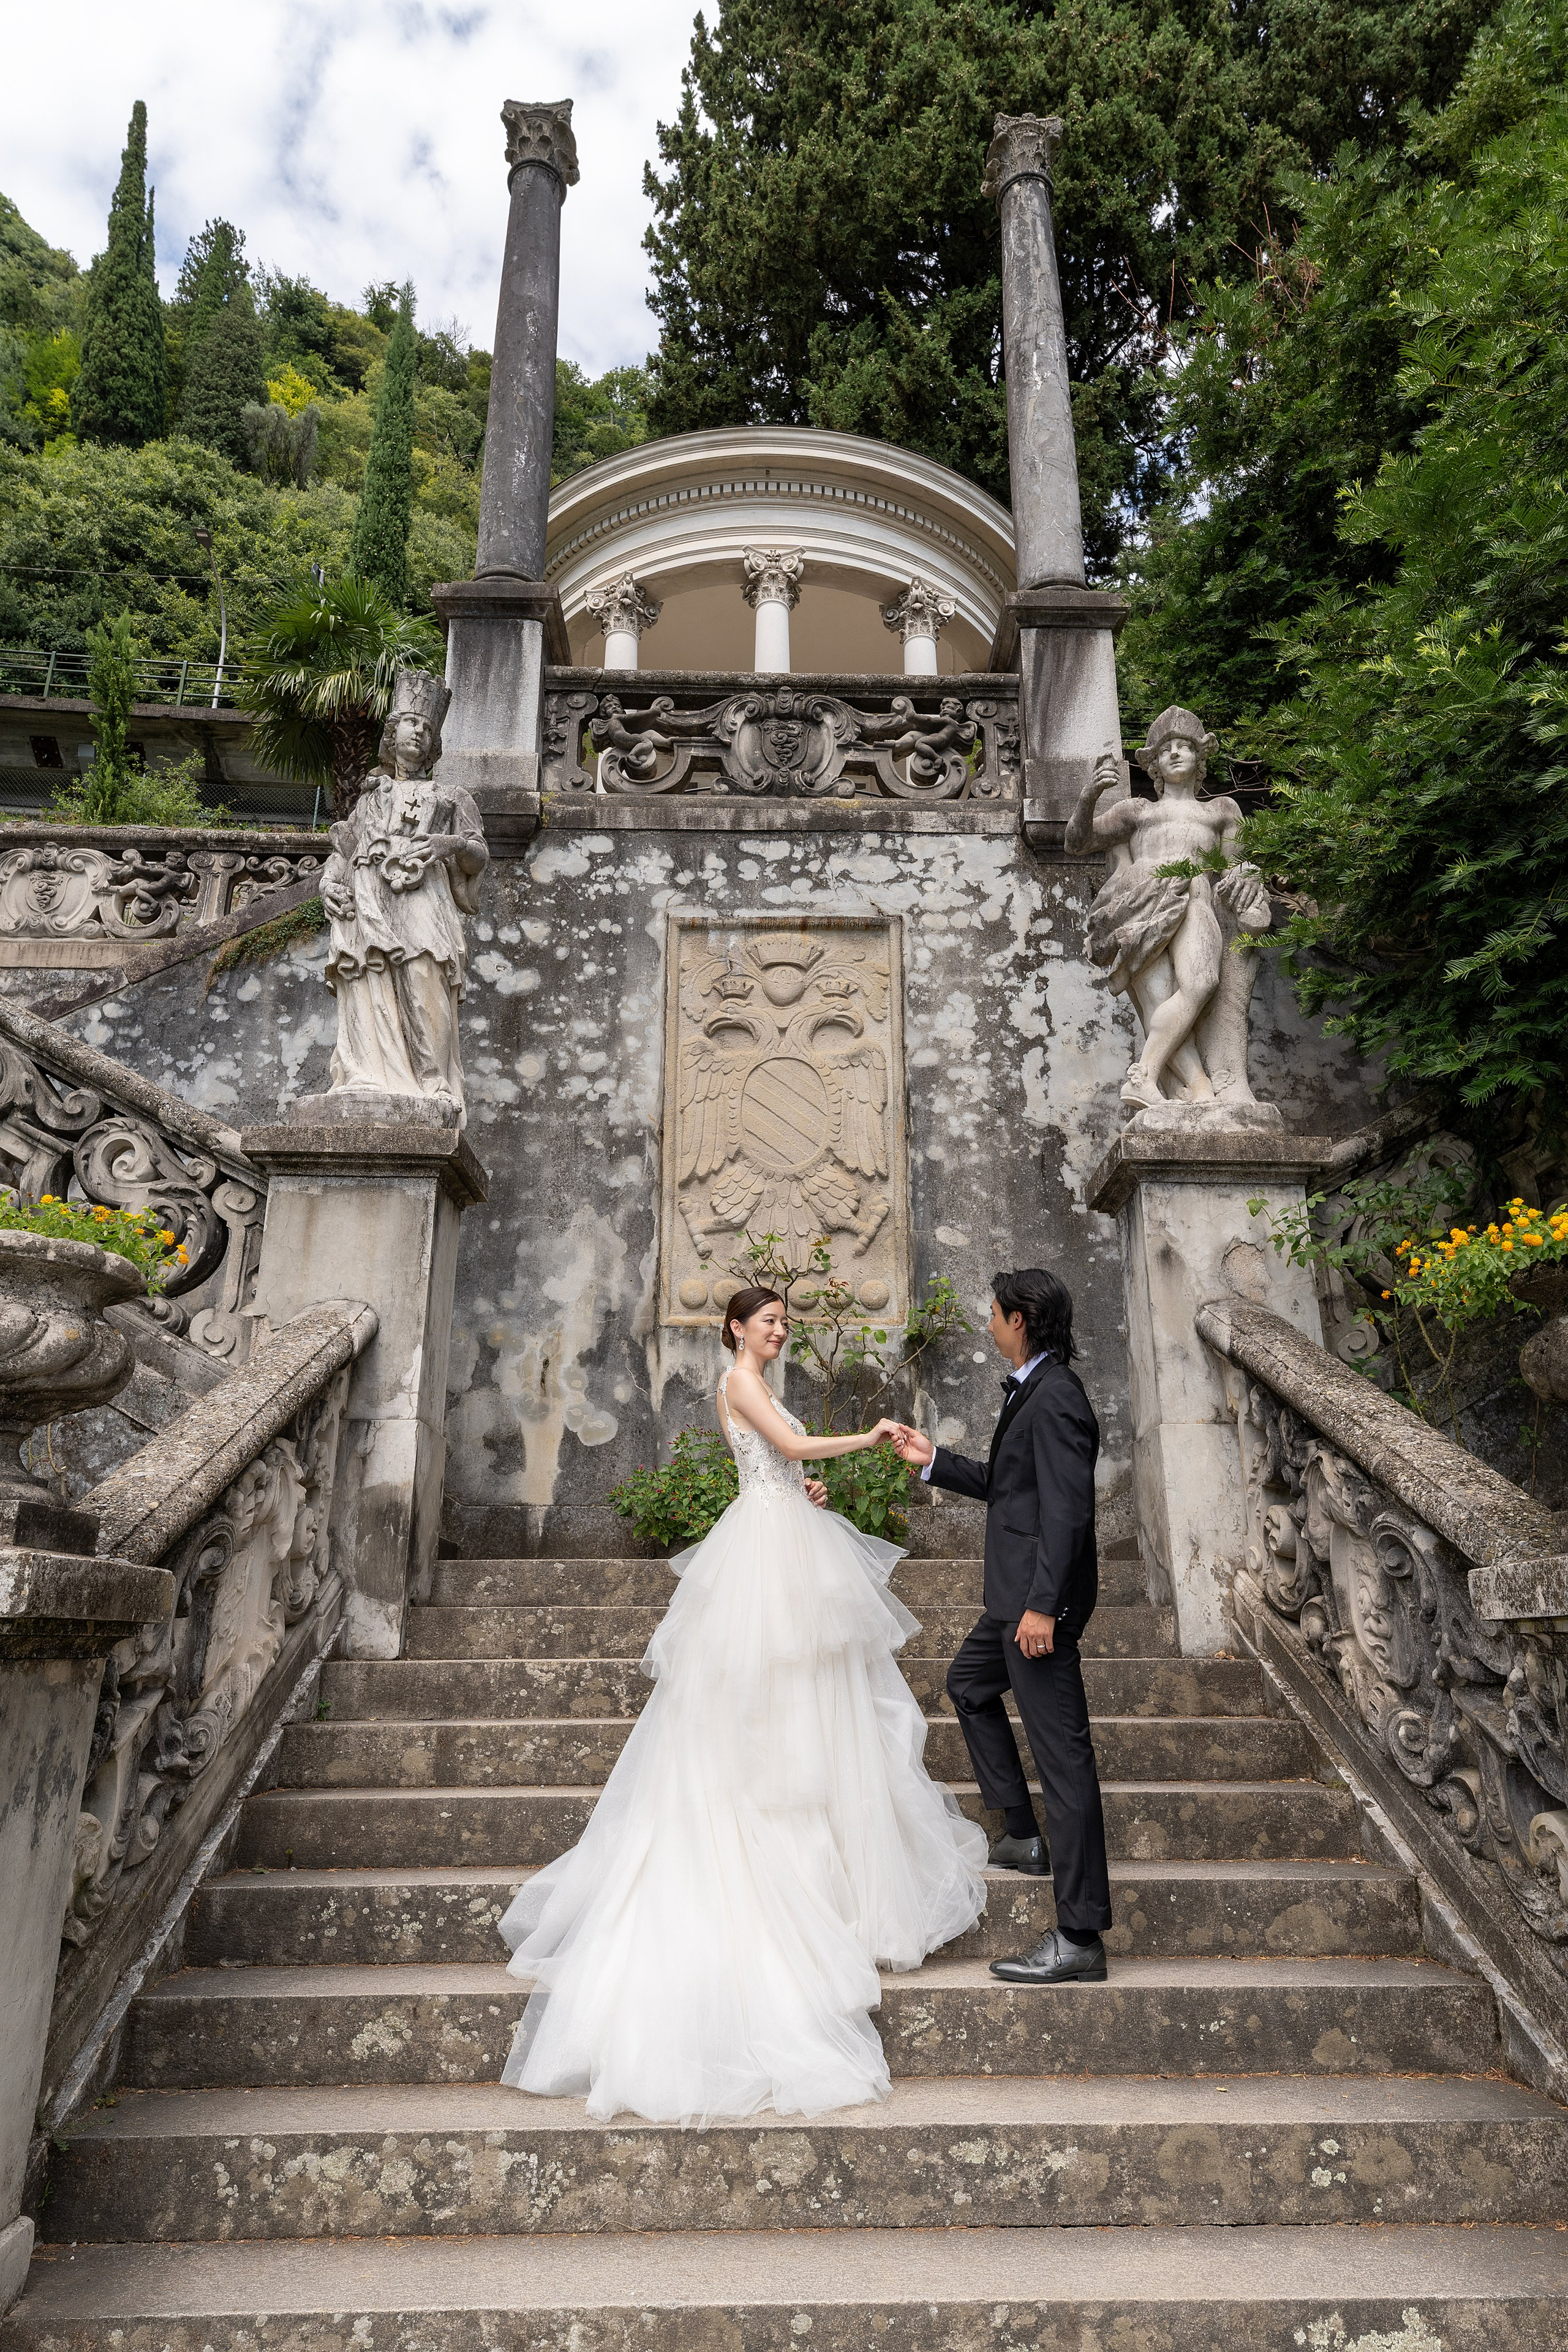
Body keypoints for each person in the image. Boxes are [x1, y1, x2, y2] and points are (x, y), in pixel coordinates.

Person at [496, 1284, 987, 2123]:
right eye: (769, 1321)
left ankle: (828, 1887)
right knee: (771, 1699)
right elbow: (787, 1442)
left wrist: (805, 1488)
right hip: (761, 1555)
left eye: (785, 1322)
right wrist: (866, 1437)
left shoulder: (760, 1384)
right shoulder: (738, 1380)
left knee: (815, 1698)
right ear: (735, 1330)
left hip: (784, 1536)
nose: (781, 1330)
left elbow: (782, 1460)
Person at [891, 1267, 1113, 1984]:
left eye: (993, 1313)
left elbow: (1068, 1512)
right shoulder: (1033, 1390)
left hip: (1035, 1607)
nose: (987, 1324)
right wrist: (933, 1461)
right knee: (968, 1684)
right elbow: (1008, 1486)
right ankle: (1020, 1833)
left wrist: (1043, 1606)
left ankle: (1079, 1936)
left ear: (1019, 1319)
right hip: (1012, 1601)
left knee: (1065, 1766)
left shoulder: (1057, 1396)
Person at [320, 668, 488, 1123]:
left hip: (423, 896)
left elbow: (477, 856)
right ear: (392, 735)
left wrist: (449, 844)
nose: (419, 732)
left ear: (434, 745)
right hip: (367, 898)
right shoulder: (370, 797)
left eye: (427, 728)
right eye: (411, 723)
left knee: (426, 975)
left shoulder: (451, 796)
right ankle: (368, 1075)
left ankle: (434, 1084)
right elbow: (344, 851)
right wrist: (328, 885)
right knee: (366, 978)